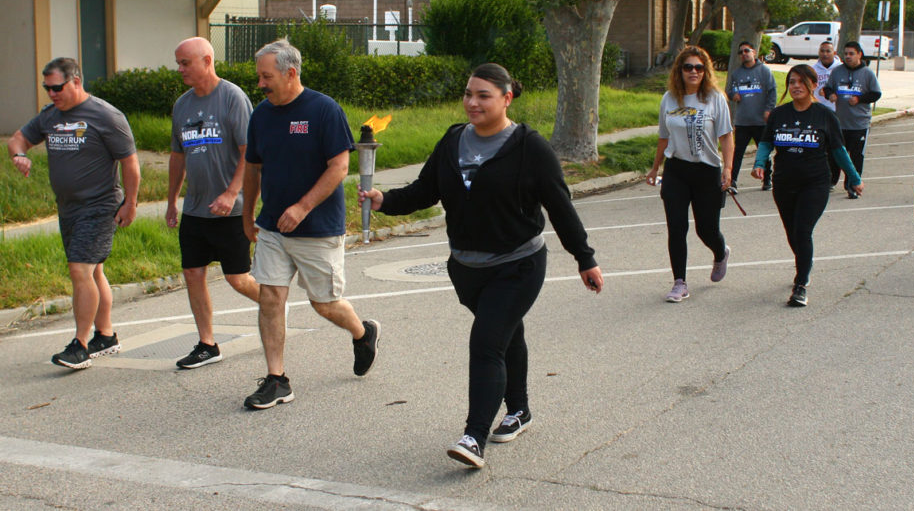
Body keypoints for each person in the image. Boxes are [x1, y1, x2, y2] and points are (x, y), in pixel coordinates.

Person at [359, 63, 603, 469]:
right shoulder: (454, 139)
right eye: (469, 94)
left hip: (517, 265)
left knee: (487, 342)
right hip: (467, 268)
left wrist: (585, 258)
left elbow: (560, 206)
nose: (472, 102)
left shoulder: (529, 147)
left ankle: (473, 436)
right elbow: (425, 190)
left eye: (483, 95)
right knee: (506, 334)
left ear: (507, 98)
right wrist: (386, 201)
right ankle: (520, 410)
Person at [241, 39, 379, 410]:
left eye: (266, 77)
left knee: (325, 304)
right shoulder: (261, 115)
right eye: (259, 77)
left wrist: (302, 207)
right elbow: (253, 168)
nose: (261, 85)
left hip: (317, 227)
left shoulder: (323, 110)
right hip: (272, 226)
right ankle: (277, 379)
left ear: (291, 73)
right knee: (270, 296)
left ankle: (362, 332)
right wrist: (247, 215)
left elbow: (340, 167)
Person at [7, 58, 139, 369]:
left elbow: (130, 163)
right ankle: (105, 336)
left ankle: (80, 344)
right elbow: (18, 139)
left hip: (100, 205)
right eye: (47, 88)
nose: (52, 94)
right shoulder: (50, 116)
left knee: (79, 270)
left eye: (57, 87)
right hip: (68, 207)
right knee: (93, 272)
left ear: (76, 81)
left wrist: (131, 203)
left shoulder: (105, 115)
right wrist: (20, 155)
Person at [167, 37, 260, 369]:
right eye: (178, 63)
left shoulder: (232, 98)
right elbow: (177, 156)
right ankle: (207, 343)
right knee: (193, 272)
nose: (180, 69)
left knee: (238, 278)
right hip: (196, 208)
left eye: (185, 63)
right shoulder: (182, 105)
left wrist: (232, 193)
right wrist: (171, 202)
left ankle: (273, 304)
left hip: (230, 209)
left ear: (207, 60)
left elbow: (249, 152)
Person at [752, 65, 864, 307]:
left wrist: (854, 178)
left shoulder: (824, 115)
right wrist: (760, 163)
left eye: (801, 82)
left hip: (815, 183)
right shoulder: (779, 115)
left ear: (814, 85)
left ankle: (801, 283)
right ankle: (804, 262)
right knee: (792, 233)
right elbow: (765, 143)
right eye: (792, 82)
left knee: (803, 231)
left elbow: (838, 150)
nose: (796, 86)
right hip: (784, 183)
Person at [645, 46, 735, 302]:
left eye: (698, 67)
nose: (693, 72)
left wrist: (727, 168)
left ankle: (720, 252)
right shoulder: (669, 99)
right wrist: (655, 168)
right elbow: (664, 137)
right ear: (680, 71)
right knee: (676, 227)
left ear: (705, 71)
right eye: (688, 67)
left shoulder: (715, 98)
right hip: (677, 170)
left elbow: (727, 136)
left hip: (707, 170)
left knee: (706, 230)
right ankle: (679, 282)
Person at [823, 41, 881, 199]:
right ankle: (831, 181)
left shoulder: (867, 73)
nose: (848, 57)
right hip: (840, 123)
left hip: (859, 123)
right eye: (846, 54)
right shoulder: (837, 72)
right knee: (835, 154)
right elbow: (827, 88)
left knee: (856, 156)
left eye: (851, 54)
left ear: (859, 54)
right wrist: (830, 95)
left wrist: (860, 99)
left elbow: (876, 94)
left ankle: (852, 186)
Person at [725, 41, 776, 191]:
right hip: (743, 121)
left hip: (760, 120)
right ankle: (732, 180)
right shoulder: (737, 74)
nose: (744, 54)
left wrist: (769, 109)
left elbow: (772, 91)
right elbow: (729, 91)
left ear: (753, 52)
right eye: (740, 52)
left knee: (763, 151)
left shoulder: (764, 71)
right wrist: (733, 95)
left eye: (746, 51)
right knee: (738, 152)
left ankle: (767, 179)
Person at [812, 41, 842, 186]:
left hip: (836, 113)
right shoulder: (813, 69)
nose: (825, 54)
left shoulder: (839, 69)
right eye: (822, 51)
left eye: (828, 51)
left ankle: (833, 178)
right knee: (819, 147)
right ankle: (820, 177)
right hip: (819, 112)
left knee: (834, 148)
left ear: (834, 53)